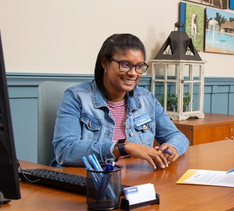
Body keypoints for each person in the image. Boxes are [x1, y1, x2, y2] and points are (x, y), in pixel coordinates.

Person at [53, 33, 189, 169]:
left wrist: (172, 148)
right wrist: (122, 148)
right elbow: (65, 150)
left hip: (138, 180)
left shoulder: (146, 99)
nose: (133, 73)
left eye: (139, 66)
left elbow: (177, 136)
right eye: (125, 65)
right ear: (105, 62)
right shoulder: (76, 97)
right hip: (91, 180)